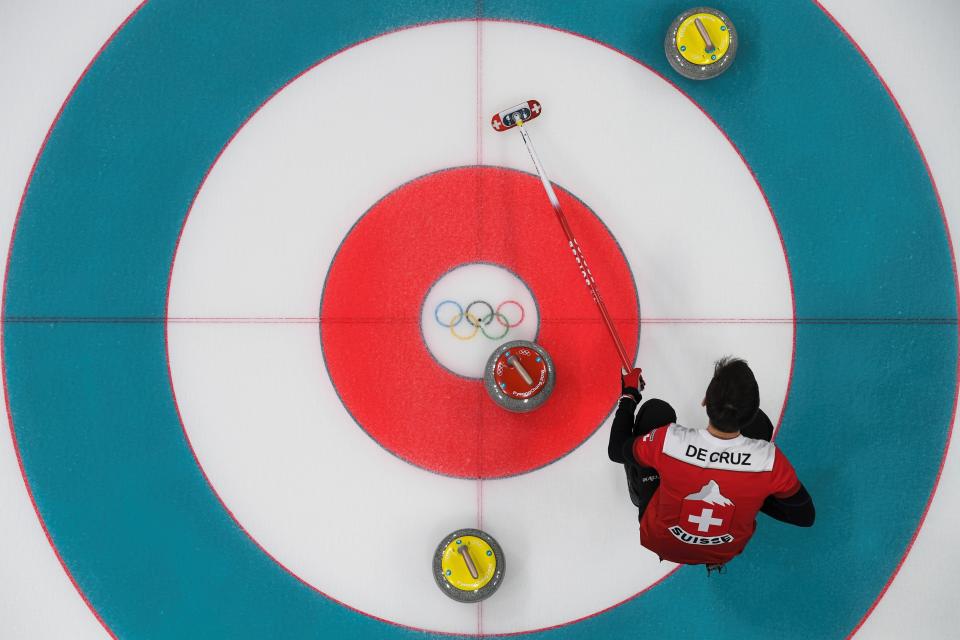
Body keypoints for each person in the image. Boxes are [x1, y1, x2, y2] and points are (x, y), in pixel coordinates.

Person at [608, 357, 814, 570]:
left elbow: (616, 450)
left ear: (705, 400)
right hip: (723, 549)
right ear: (752, 410)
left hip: (660, 539)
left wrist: (629, 394)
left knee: (655, 412)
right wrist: (754, 494)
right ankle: (713, 555)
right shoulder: (769, 461)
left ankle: (640, 489)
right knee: (759, 430)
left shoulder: (669, 442)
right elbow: (804, 516)